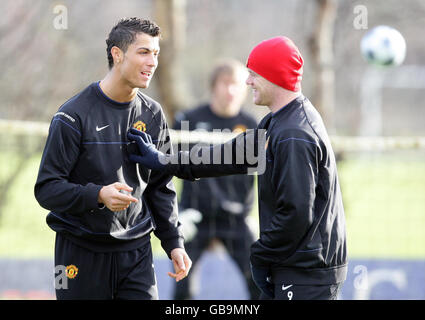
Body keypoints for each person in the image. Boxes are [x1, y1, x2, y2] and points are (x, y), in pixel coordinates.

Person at [127, 36, 348, 300]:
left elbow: (296, 212)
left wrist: (259, 255)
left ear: (273, 76)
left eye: (254, 74)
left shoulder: (294, 134)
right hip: (294, 266)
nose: (248, 81)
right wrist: (163, 159)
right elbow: (225, 156)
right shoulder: (278, 123)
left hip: (306, 273)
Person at [34, 17, 191, 300]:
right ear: (117, 54)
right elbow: (47, 189)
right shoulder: (72, 116)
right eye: (143, 52)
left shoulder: (153, 115)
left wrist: (174, 242)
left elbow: (160, 187)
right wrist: (98, 195)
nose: (153, 62)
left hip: (137, 254)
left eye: (156, 53)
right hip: (80, 253)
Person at [172, 59, 260, 300]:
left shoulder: (252, 126)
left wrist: (250, 214)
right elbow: (166, 168)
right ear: (214, 86)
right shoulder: (187, 121)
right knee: (183, 286)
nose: (231, 90)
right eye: (225, 83)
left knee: (259, 282)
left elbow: (260, 176)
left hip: (235, 219)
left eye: (237, 84)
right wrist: (176, 214)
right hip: (194, 217)